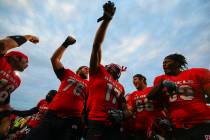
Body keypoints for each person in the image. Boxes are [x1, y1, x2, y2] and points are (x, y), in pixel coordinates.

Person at [25, 36, 89, 140]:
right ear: (78, 70)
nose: (87, 70)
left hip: (72, 120)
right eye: (85, 68)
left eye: (88, 70)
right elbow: (54, 59)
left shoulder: (89, 84)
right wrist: (66, 44)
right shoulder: (68, 73)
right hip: (52, 115)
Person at [86, 1, 126, 140]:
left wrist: (123, 114)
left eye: (115, 67)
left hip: (115, 124)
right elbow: (96, 45)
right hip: (96, 120)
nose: (111, 67)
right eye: (110, 65)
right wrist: (107, 20)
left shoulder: (121, 86)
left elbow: (125, 108)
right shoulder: (99, 71)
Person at [147, 53, 210, 140]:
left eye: (167, 62)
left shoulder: (197, 72)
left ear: (177, 63)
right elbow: (150, 96)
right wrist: (162, 84)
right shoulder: (160, 79)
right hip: (178, 126)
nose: (164, 64)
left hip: (202, 122)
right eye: (163, 63)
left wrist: (200, 103)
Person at [0, 35, 39, 139]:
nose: (27, 65)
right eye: (26, 61)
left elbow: (4, 97)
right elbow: (4, 44)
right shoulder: (2, 61)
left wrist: (7, 110)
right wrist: (27, 37)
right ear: (16, 58)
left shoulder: (17, 80)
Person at [124, 74, 163, 140]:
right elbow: (130, 110)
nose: (133, 82)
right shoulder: (133, 94)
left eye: (135, 79)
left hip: (155, 127)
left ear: (142, 79)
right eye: (133, 80)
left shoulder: (152, 89)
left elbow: (162, 105)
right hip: (139, 129)